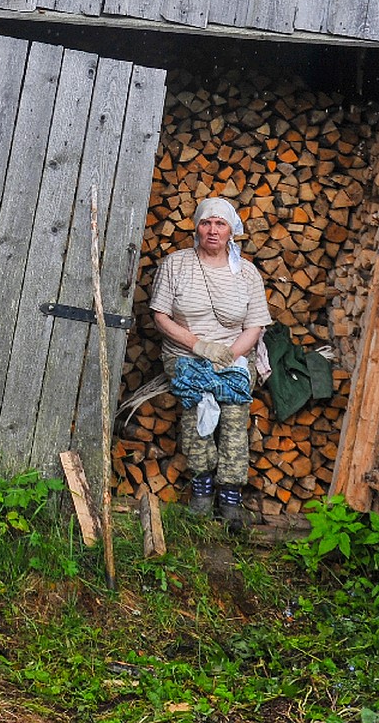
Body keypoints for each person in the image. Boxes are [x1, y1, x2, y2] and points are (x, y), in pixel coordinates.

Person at [150, 197, 271, 528]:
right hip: (186, 355)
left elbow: (255, 326)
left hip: (232, 356)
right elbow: (160, 317)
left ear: (232, 230)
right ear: (197, 227)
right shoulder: (176, 265)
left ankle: (230, 498)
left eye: (220, 224)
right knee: (197, 412)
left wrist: (229, 356)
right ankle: (202, 493)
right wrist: (198, 344)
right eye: (206, 223)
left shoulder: (246, 273)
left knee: (233, 415)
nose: (212, 230)